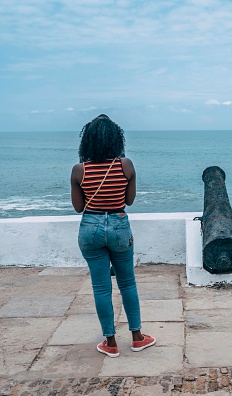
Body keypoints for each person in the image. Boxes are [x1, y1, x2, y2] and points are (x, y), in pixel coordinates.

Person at [70, 114, 156, 357]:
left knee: (101, 288)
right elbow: (129, 201)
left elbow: (78, 207)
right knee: (127, 283)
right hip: (118, 225)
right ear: (116, 140)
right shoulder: (125, 165)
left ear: (87, 142)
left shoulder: (79, 170)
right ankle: (137, 338)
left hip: (90, 227)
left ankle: (110, 342)